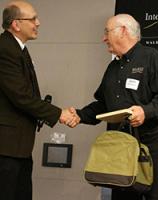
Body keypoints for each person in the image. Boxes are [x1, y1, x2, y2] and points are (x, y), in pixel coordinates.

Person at [75, 14, 158, 200]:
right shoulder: (112, 68)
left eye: (107, 32)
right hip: (123, 147)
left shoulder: (152, 58)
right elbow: (103, 105)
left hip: (157, 145)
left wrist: (145, 111)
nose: (103, 38)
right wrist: (78, 115)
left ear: (123, 31)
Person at [0, 1, 79, 200]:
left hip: (18, 147)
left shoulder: (18, 49)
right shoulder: (5, 49)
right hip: (6, 149)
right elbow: (22, 96)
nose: (39, 22)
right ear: (16, 24)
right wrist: (59, 113)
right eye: (33, 18)